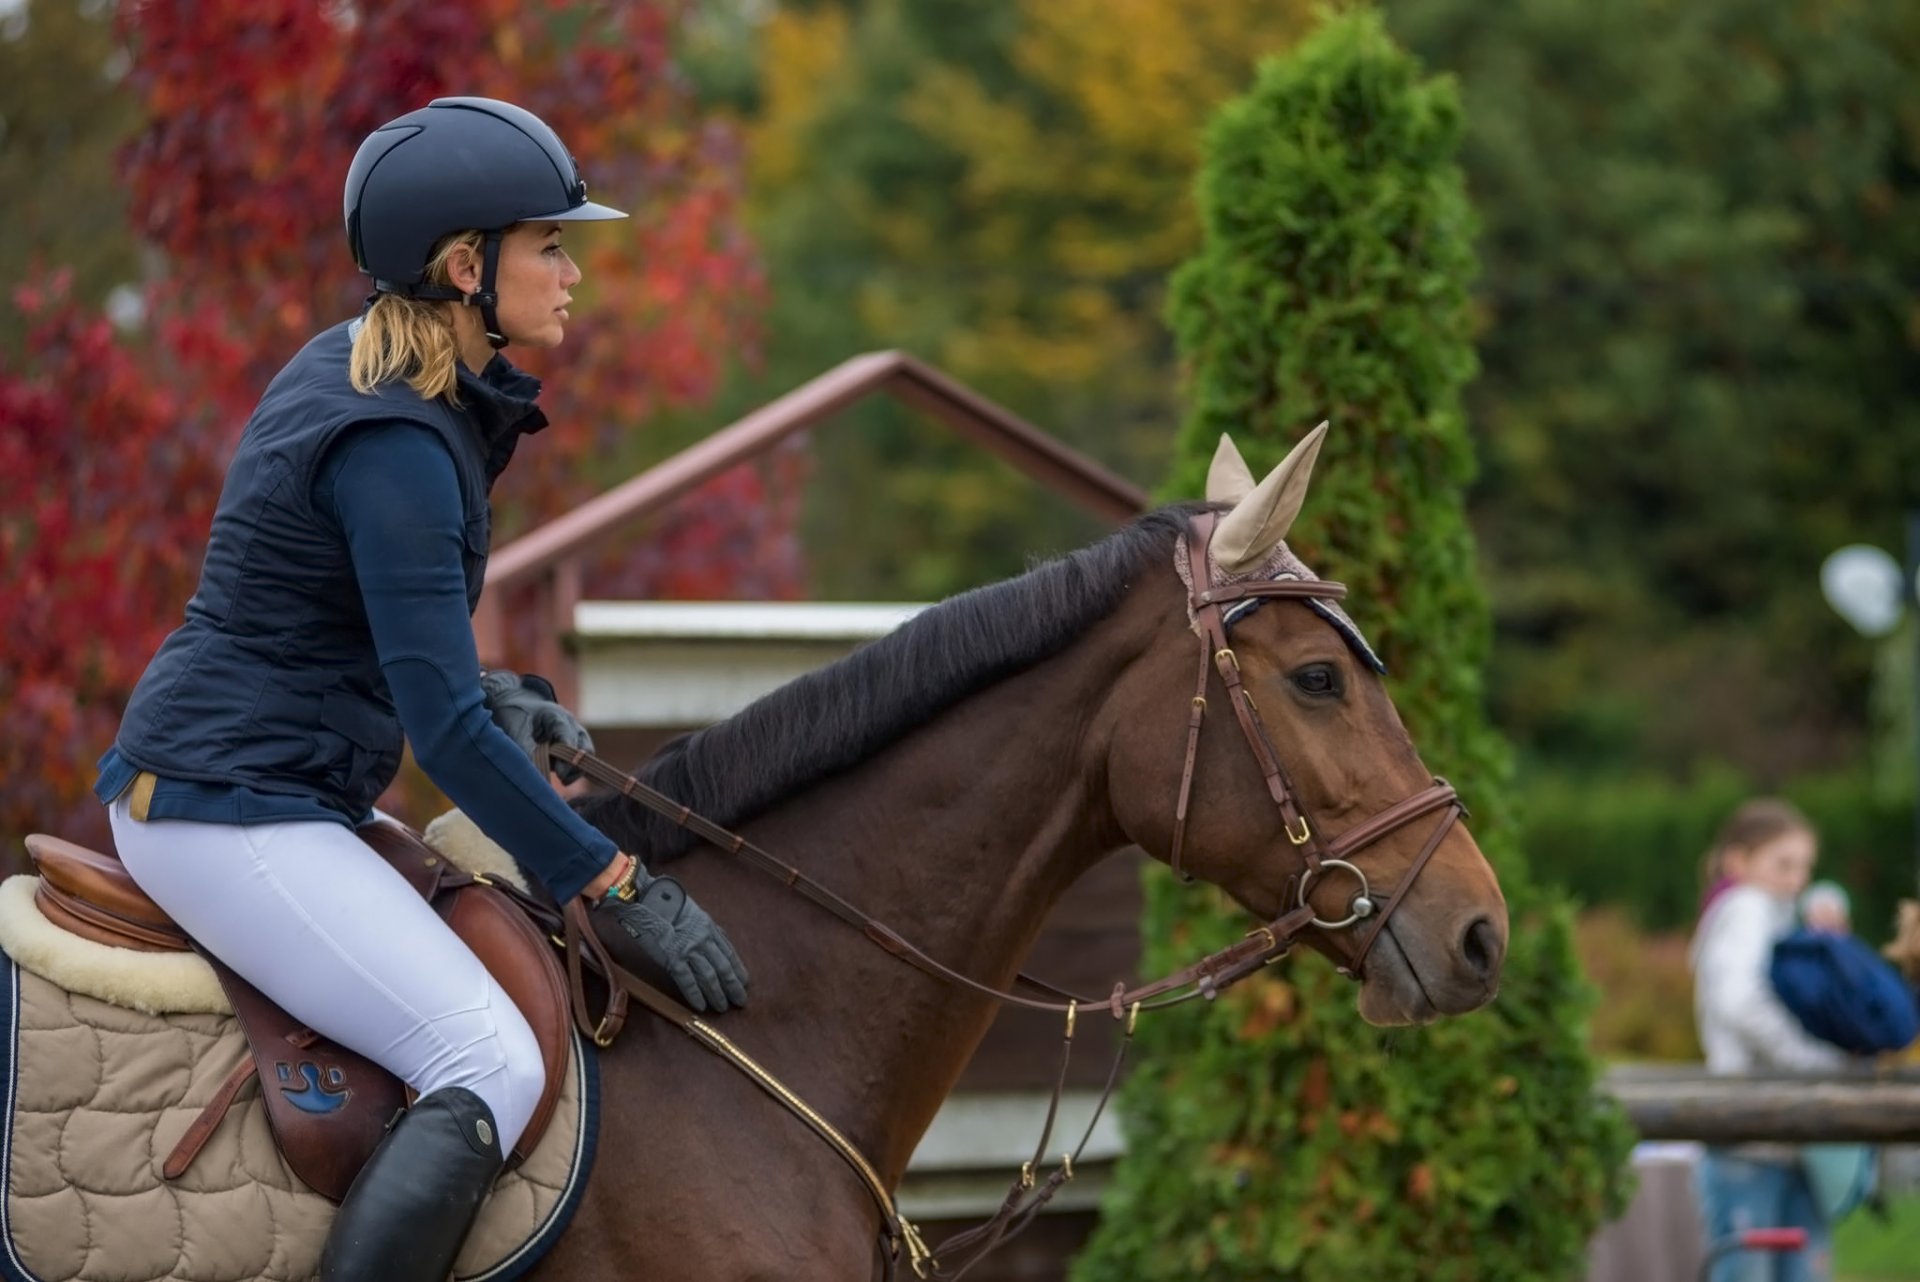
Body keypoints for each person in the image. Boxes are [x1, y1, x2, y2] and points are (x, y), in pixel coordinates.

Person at [91, 97, 750, 1281]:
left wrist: (494, 688)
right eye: (551, 244)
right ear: (465, 267)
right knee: (490, 1059)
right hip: (223, 805)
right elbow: (434, 726)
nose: (574, 270)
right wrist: (610, 876)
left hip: (278, 781)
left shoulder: (372, 375)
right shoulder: (396, 439)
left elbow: (364, 639)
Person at [1689, 798, 1845, 1282]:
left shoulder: (1763, 911)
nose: (1796, 878)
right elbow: (1740, 1001)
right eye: (1783, 864)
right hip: (1751, 1138)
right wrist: (1809, 1057)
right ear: (1739, 861)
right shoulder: (1747, 906)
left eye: (1804, 866)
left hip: (1775, 1138)